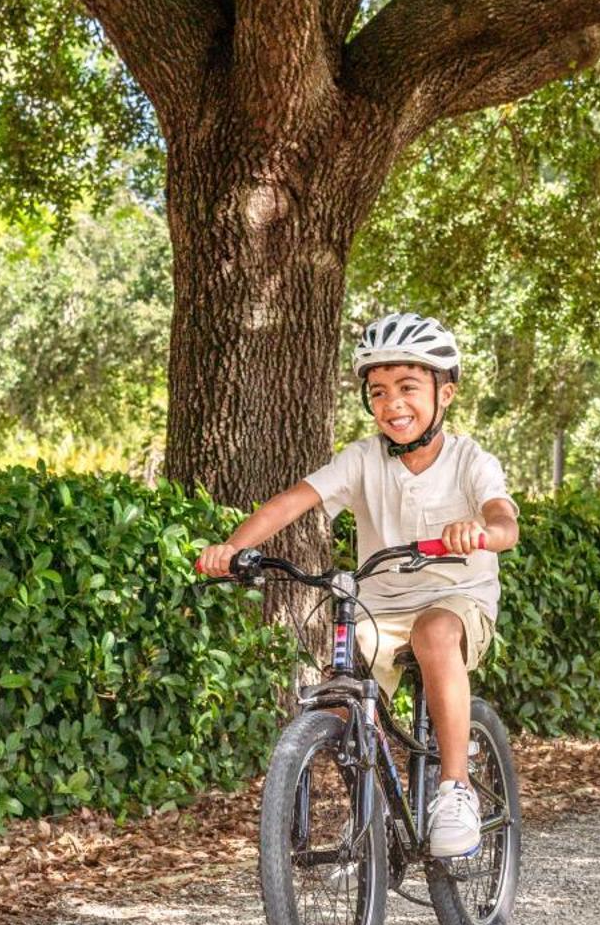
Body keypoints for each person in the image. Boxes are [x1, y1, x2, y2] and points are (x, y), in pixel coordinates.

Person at [197, 313, 520, 856]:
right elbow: (293, 502)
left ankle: (455, 787)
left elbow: (505, 524)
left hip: (455, 599)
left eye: (408, 388)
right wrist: (233, 548)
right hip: (380, 606)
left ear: (446, 394)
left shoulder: (470, 460)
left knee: (435, 635)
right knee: (340, 697)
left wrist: (480, 532)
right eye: (378, 391)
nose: (392, 402)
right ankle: (368, 818)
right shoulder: (363, 459)